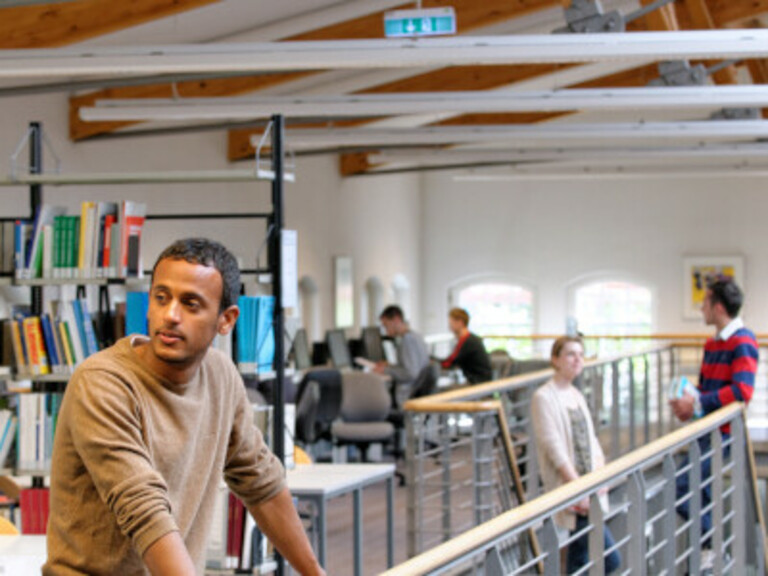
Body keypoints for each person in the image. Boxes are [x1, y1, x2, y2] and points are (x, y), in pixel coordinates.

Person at [44, 239, 324, 576]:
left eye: (191, 304)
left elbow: (261, 482)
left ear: (226, 319)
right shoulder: (103, 382)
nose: (171, 316)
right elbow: (144, 509)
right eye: (161, 298)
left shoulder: (221, 376)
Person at [670, 277, 757, 571]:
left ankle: (713, 545)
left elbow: (742, 392)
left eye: (705, 302)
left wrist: (696, 403)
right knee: (697, 489)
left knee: (682, 486)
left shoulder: (743, 341)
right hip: (705, 429)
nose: (701, 308)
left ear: (718, 307)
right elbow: (706, 391)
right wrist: (689, 406)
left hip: (724, 434)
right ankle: (711, 547)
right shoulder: (712, 343)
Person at [531, 336, 620, 574]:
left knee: (579, 555)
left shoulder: (576, 394)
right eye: (571, 354)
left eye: (580, 354)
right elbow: (554, 447)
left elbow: (591, 442)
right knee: (609, 559)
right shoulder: (544, 397)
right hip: (574, 490)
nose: (577, 359)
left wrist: (602, 477)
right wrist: (578, 487)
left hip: (589, 487)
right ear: (555, 359)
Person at [374, 305, 429, 395]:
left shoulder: (408, 341)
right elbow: (409, 366)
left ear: (396, 319)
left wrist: (385, 370)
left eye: (386, 325)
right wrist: (390, 366)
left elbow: (410, 373)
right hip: (416, 389)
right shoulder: (415, 336)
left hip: (408, 393)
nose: (386, 331)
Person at [439, 308, 492, 384]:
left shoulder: (468, 341)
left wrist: (434, 363)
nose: (449, 327)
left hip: (477, 384)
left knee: (442, 392)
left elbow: (450, 362)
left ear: (460, 322)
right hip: (477, 381)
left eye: (451, 323)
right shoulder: (470, 339)